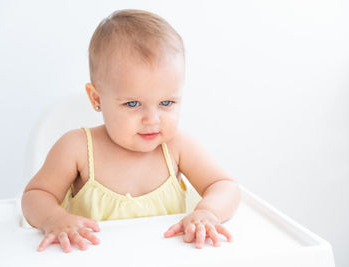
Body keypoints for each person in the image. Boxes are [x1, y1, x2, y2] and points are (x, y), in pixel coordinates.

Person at [21, 9, 241, 253]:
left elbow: (225, 185)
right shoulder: (77, 148)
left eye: (166, 103)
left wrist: (207, 212)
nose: (152, 119)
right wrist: (54, 219)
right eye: (133, 104)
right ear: (97, 98)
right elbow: (35, 195)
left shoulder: (177, 147)